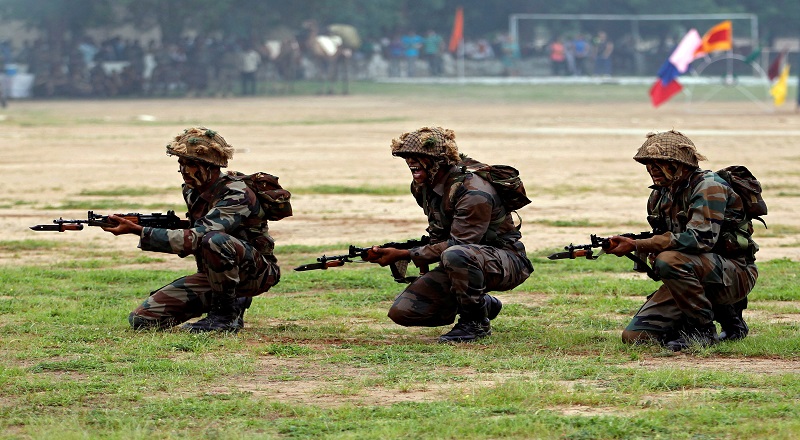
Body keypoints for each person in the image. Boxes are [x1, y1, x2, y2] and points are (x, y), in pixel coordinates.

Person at [102, 127, 281, 332]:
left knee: (214, 240)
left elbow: (199, 237)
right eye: (181, 163)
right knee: (143, 320)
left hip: (256, 273)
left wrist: (139, 231)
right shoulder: (192, 190)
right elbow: (195, 228)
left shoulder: (237, 194)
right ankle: (231, 302)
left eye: (192, 164)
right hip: (214, 275)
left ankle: (225, 316)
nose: (185, 170)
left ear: (211, 167)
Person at [364, 126, 534, 343]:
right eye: (407, 157)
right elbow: (439, 237)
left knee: (456, 254)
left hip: (507, 261)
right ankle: (483, 304)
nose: (410, 162)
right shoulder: (423, 187)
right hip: (465, 258)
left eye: (418, 157)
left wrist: (405, 254)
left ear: (439, 161)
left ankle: (475, 324)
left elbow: (459, 244)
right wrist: (400, 250)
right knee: (405, 311)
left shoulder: (473, 191)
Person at [606, 130, 758, 351]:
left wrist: (639, 245)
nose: (652, 170)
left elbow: (700, 240)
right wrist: (638, 245)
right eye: (649, 164)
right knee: (635, 337)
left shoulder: (708, 186)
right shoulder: (660, 194)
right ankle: (717, 319)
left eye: (660, 163)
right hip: (694, 273)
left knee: (669, 260)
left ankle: (703, 329)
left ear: (681, 165)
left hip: (735, 273)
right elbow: (667, 239)